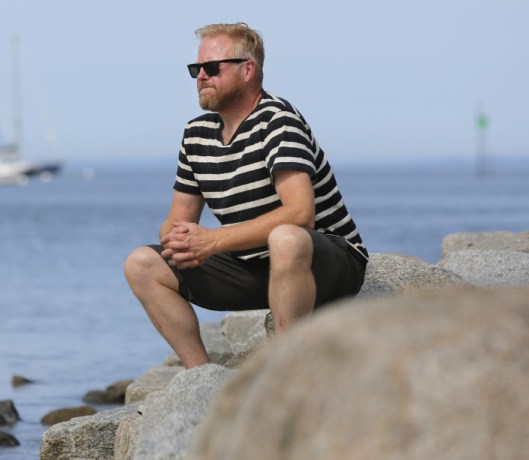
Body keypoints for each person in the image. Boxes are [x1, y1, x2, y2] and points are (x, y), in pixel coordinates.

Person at [123, 22, 368, 369]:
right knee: (141, 264)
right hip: (255, 267)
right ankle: (202, 379)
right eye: (196, 69)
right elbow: (178, 219)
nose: (201, 77)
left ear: (248, 70)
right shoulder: (196, 135)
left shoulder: (278, 121)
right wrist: (177, 238)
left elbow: (301, 215)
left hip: (326, 263)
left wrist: (213, 241)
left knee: (285, 238)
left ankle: (285, 372)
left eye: (211, 68)